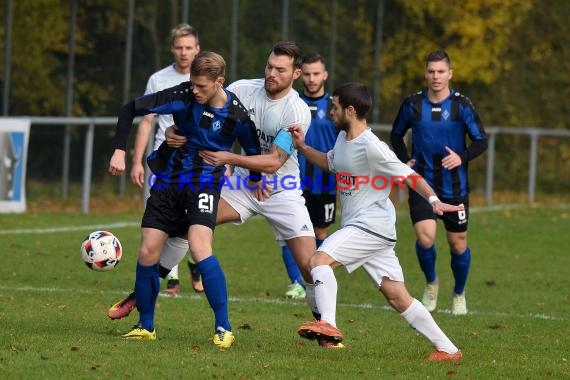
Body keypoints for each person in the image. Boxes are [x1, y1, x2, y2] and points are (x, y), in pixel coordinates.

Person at [107, 41, 334, 347]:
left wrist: (230, 160)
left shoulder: (295, 110)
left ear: (295, 74)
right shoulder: (243, 88)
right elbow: (197, 110)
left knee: (309, 263)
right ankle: (143, 295)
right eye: (269, 66)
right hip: (242, 182)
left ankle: (324, 327)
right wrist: (175, 132)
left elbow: (275, 161)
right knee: (188, 228)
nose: (271, 74)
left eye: (280, 70)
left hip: (281, 188)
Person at [290, 82, 464, 360]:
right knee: (398, 296)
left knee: (317, 262)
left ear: (350, 110)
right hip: (372, 231)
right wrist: (302, 147)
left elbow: (409, 176)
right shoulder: (342, 138)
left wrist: (433, 200)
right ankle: (449, 349)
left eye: (334, 107)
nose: (330, 112)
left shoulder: (373, 147)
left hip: (369, 226)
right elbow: (331, 162)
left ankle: (328, 325)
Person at [108, 51, 262, 348]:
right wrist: (118, 150)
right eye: (192, 84)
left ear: (220, 82)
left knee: (200, 246)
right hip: (168, 183)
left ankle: (223, 327)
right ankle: (146, 325)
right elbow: (130, 109)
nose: (195, 91)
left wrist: (254, 179)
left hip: (204, 185)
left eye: (202, 86)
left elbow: (253, 151)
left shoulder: (237, 117)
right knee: (147, 251)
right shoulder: (182, 95)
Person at [390, 50, 487, 315]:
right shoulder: (412, 104)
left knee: (458, 244)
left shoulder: (462, 106)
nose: (436, 76)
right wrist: (404, 160)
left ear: (450, 74)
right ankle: (432, 283)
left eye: (441, 71)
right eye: (431, 71)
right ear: (425, 73)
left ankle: (459, 293)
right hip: (422, 184)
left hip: (455, 188)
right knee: (426, 237)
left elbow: (482, 141)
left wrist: (462, 157)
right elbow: (396, 135)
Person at [129, 23, 203, 296]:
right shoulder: (158, 79)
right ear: (172, 48)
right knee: (160, 221)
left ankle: (195, 263)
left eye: (189, 47)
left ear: (197, 49)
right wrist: (137, 161)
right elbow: (147, 122)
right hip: (164, 163)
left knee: (195, 218)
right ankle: (171, 277)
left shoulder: (207, 78)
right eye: (179, 47)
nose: (184, 53)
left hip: (197, 163)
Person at [279, 53, 338, 300]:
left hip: (325, 180)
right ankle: (296, 282)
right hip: (292, 179)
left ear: (324, 75)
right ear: (300, 74)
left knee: (319, 233)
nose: (312, 79)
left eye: (317, 74)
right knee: (288, 234)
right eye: (308, 74)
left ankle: (317, 278)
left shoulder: (335, 106)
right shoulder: (291, 103)